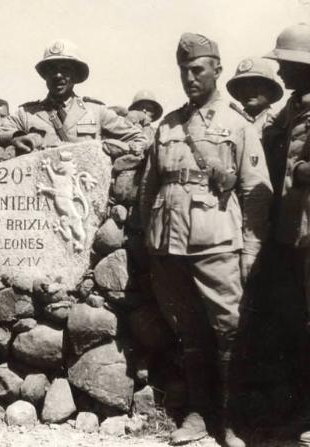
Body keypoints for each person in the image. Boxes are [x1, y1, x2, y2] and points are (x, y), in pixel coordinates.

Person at [140, 33, 272, 447]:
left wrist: (251, 248)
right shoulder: (169, 123)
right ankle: (199, 413)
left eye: (198, 69)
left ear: (217, 69)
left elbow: (256, 191)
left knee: (229, 329)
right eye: (184, 70)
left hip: (216, 240)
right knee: (189, 330)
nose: (190, 77)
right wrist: (151, 237)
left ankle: (233, 421)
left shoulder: (237, 123)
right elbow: (149, 187)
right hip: (169, 244)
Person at [264, 23, 310, 447]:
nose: (280, 74)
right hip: (293, 232)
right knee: (297, 323)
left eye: (287, 66)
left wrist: (299, 171)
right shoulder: (292, 107)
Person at [0, 39, 148, 155]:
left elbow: (139, 138)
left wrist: (108, 152)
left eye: (65, 69)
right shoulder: (27, 114)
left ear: (76, 75)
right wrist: (16, 137)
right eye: (52, 69)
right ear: (45, 76)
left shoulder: (96, 111)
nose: (58, 75)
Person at [226, 57, 283, 188]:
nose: (249, 91)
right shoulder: (230, 122)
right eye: (243, 86)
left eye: (256, 85)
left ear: (270, 90)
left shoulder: (280, 123)